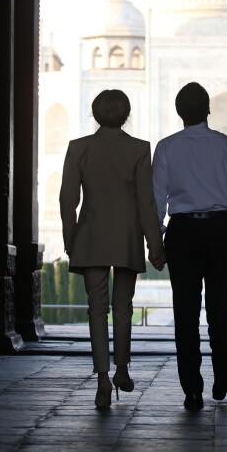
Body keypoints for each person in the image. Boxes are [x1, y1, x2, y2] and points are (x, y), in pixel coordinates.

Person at [152, 82, 227, 411]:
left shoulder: (167, 148)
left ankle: (192, 390)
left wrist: (155, 243)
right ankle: (223, 377)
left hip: (182, 232)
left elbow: (156, 203)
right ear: (208, 110)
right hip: (220, 231)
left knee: (185, 314)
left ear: (179, 112)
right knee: (218, 311)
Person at [60, 89, 166, 410]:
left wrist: (70, 240)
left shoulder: (79, 148)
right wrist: (155, 245)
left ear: (95, 114)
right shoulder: (138, 149)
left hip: (91, 237)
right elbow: (146, 203)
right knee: (123, 307)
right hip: (126, 237)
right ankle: (122, 369)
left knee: (96, 308)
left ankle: (102, 379)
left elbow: (68, 200)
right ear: (126, 115)